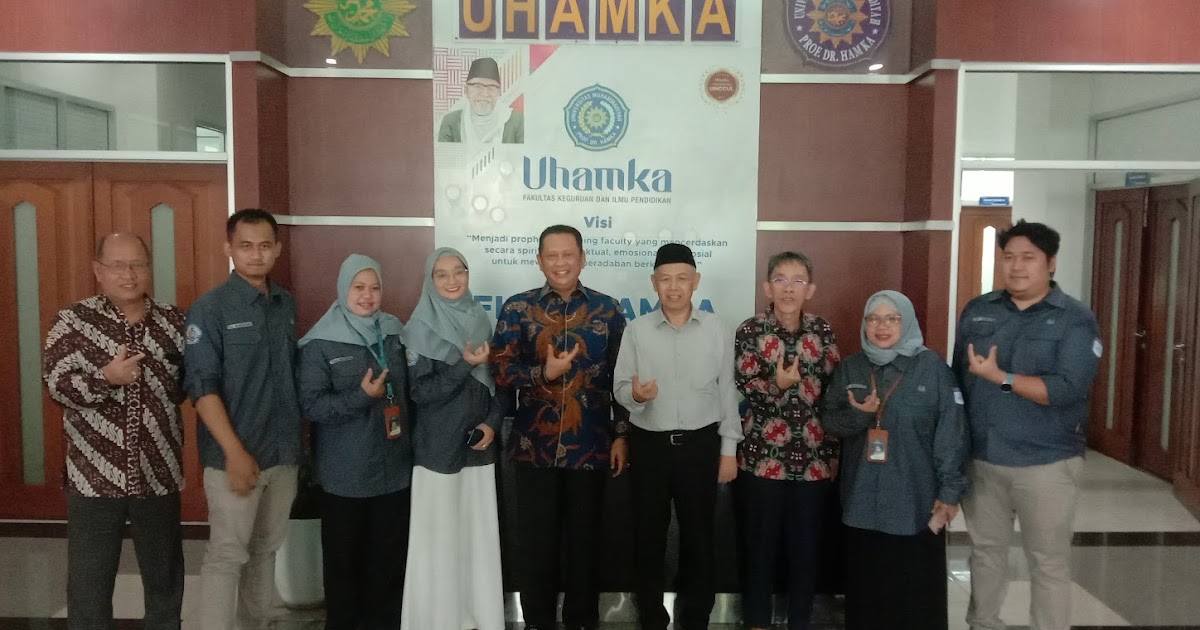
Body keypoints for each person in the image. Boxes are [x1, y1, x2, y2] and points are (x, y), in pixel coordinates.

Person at [954, 220, 1101, 630]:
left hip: (1047, 462)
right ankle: (983, 624)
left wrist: (1001, 378)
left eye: (1028, 258)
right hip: (983, 458)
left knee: (1048, 562)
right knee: (986, 554)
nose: (1016, 266)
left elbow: (1066, 389)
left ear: (1051, 263)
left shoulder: (1075, 319)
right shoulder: (979, 310)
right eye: (1009, 257)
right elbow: (957, 380)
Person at [43, 233, 186, 630]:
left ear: (149, 268)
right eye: (118, 266)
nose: (129, 275)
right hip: (93, 476)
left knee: (165, 581)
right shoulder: (72, 321)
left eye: (137, 265)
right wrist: (105, 378)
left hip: (158, 473)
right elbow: (57, 386)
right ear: (98, 270)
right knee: (89, 585)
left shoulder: (176, 322)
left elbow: (194, 385)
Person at [490, 224, 629, 630]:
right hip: (534, 447)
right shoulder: (518, 308)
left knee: (586, 543)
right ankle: (538, 621)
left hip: (591, 445)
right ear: (539, 261)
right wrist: (542, 373)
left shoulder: (607, 310)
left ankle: (582, 621)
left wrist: (622, 434)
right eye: (551, 255)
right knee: (537, 545)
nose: (560, 262)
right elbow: (500, 370)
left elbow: (622, 378)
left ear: (582, 258)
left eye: (568, 254)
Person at [822, 290, 970, 630]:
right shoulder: (852, 368)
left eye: (892, 318)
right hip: (862, 501)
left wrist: (950, 491)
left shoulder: (932, 369)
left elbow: (952, 433)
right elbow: (828, 421)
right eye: (873, 318)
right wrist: (860, 416)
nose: (882, 326)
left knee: (914, 597)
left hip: (914, 502)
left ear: (907, 323)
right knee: (867, 594)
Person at [613, 243, 742, 630]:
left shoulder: (717, 329)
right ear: (653, 282)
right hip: (649, 446)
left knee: (700, 538)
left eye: (682, 278)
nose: (673, 287)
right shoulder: (636, 330)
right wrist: (637, 396)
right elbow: (620, 387)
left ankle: (695, 618)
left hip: (701, 446)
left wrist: (729, 449)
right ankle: (651, 618)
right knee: (647, 538)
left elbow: (727, 390)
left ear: (695, 281)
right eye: (665, 279)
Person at [184, 208, 301, 630]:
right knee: (227, 556)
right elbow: (202, 390)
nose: (256, 254)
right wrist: (234, 453)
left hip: (282, 454)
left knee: (265, 550)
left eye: (265, 245)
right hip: (234, 456)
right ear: (228, 249)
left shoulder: (284, 303)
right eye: (246, 246)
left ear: (277, 249)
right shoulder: (210, 309)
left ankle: (257, 623)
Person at [296, 254, 413, 629]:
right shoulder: (320, 342)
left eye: (375, 288)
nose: (368, 296)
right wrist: (361, 397)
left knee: (389, 565)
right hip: (344, 477)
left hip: (394, 473)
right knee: (344, 567)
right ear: (343, 289)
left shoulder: (394, 333)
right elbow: (311, 405)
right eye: (359, 287)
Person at [399, 248, 508, 630]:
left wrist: (492, 424)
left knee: (477, 538)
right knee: (441, 542)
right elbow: (421, 393)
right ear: (430, 281)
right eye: (442, 274)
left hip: (478, 449)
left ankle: (478, 617)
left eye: (459, 272)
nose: (452, 280)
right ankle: (439, 620)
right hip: (438, 452)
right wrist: (465, 364)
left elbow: (496, 384)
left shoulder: (479, 318)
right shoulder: (418, 329)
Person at [732, 251, 840, 630]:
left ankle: (800, 623)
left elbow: (832, 396)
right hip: (763, 459)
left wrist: (832, 452)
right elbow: (745, 387)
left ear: (810, 289)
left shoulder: (822, 331)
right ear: (767, 287)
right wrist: (776, 385)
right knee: (759, 551)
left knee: (806, 552)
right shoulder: (750, 331)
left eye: (798, 280)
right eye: (780, 279)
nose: (789, 288)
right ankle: (758, 623)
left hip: (812, 462)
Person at [438, 57, 525, 145]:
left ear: (499, 92)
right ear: (466, 91)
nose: (484, 94)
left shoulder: (517, 120)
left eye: (491, 88)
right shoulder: (451, 121)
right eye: (478, 86)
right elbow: (444, 153)